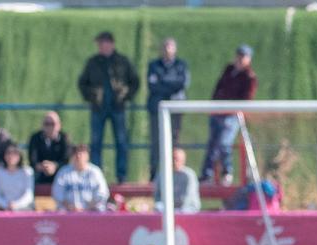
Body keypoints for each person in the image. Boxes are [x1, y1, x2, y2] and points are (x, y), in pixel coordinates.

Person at [77, 31, 139, 184]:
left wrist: (125, 96)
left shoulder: (122, 61)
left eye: (102, 43)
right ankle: (97, 175)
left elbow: (135, 82)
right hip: (98, 108)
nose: (100, 46)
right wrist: (91, 96)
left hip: (117, 107)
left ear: (110, 43)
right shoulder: (93, 62)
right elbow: (82, 83)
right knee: (96, 143)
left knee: (121, 142)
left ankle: (121, 175)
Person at [200, 44, 257, 186]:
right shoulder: (229, 69)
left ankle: (227, 172)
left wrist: (233, 108)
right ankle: (207, 175)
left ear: (249, 59)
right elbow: (219, 87)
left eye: (244, 56)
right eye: (239, 55)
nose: (240, 58)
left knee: (225, 143)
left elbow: (247, 98)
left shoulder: (249, 77)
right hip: (217, 112)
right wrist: (213, 104)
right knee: (212, 144)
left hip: (231, 115)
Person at [146, 37, 190, 180]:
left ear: (175, 49)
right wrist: (170, 85)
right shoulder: (153, 65)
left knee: (175, 140)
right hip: (157, 108)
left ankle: (174, 172)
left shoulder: (181, 65)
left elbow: (182, 83)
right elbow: (152, 84)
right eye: (165, 47)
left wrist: (163, 83)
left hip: (176, 108)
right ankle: (154, 173)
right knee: (156, 141)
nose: (167, 50)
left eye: (170, 47)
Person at [52, 144, 109, 212]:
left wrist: (87, 208)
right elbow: (58, 193)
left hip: (92, 212)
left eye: (82, 153)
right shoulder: (64, 172)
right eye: (75, 154)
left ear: (88, 156)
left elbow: (102, 194)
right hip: (68, 212)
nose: (78, 156)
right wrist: (71, 207)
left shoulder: (95, 172)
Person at [27, 111, 69, 186]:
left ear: (59, 125)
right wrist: (42, 166)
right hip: (40, 171)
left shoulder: (64, 138)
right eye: (46, 124)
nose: (49, 127)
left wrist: (54, 166)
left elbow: (66, 160)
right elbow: (32, 160)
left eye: (53, 124)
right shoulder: (35, 138)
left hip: (58, 171)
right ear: (42, 125)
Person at [153, 147, 200, 213]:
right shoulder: (162, 174)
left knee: (184, 211)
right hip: (168, 208)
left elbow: (188, 197)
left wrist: (174, 209)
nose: (174, 161)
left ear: (183, 160)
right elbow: (157, 195)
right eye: (173, 159)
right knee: (158, 208)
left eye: (177, 159)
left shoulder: (189, 175)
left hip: (188, 208)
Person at [0, 143, 34, 211]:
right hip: (4, 209)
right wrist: (6, 205)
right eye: (8, 153)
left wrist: (16, 205)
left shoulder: (27, 171)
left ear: (20, 155)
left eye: (15, 153)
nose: (11, 156)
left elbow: (29, 195)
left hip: (25, 209)